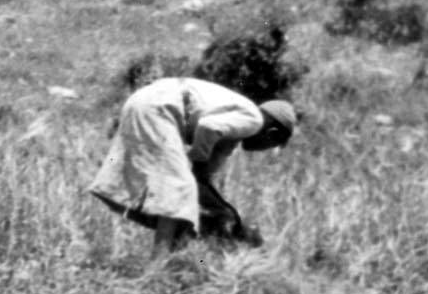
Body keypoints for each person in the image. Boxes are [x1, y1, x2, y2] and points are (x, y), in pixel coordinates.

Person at [88, 77, 296, 257]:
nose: (265, 149)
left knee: (181, 195)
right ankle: (158, 268)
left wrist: (225, 214)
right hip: (160, 108)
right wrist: (197, 160)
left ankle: (171, 256)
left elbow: (201, 181)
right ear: (273, 133)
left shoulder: (232, 132)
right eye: (273, 144)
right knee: (179, 190)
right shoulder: (253, 120)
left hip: (144, 101)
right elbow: (208, 126)